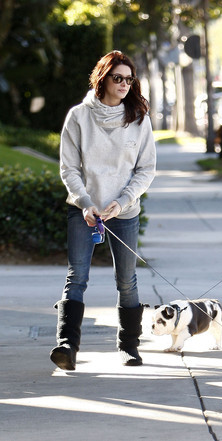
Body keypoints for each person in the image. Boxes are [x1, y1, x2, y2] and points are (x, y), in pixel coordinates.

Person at [50, 50, 156, 370]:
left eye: (129, 78)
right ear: (103, 79)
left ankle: (129, 346)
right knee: (77, 277)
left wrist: (122, 201)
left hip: (123, 211)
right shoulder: (79, 117)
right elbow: (69, 169)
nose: (124, 84)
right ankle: (67, 345)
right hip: (84, 210)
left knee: (126, 280)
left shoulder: (138, 118)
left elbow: (146, 169)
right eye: (118, 78)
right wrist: (85, 203)